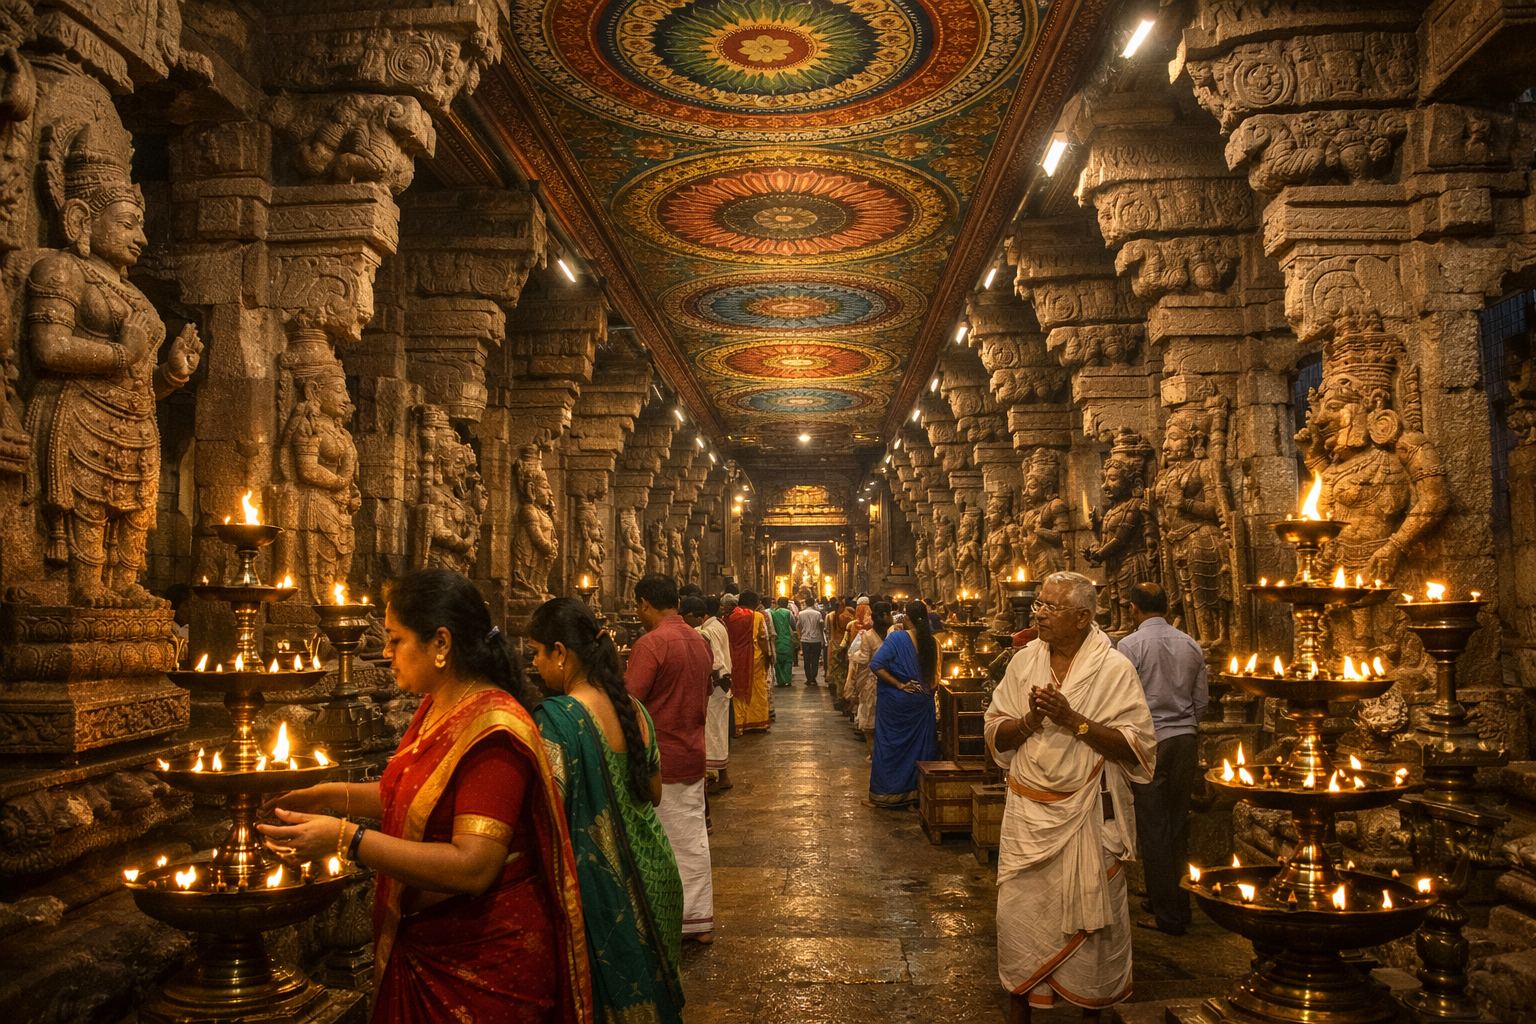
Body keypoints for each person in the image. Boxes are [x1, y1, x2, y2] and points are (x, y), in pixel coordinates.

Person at [259, 569, 592, 1024]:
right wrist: (326, 795)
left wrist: (346, 840)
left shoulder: (493, 730)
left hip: (482, 963)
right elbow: (413, 796)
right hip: (427, 942)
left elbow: (474, 865)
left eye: (395, 639)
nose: (385, 652)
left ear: (441, 643)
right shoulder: (439, 704)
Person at [984, 571, 1156, 1024]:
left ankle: (1089, 1013)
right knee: (1018, 919)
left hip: (1088, 815)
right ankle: (1021, 1008)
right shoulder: (1023, 662)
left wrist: (1074, 720)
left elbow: (1137, 746)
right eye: (1038, 604)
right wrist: (1027, 724)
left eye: (1050, 607)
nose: (1038, 613)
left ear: (1082, 617)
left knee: (1091, 928)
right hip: (1027, 813)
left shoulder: (1114, 669)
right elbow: (995, 732)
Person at [529, 598, 685, 1023]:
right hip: (657, 880)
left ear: (560, 652)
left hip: (604, 893)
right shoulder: (634, 710)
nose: (535, 664)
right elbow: (652, 793)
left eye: (537, 653)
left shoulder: (558, 721)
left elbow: (544, 813)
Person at [626, 573, 716, 945]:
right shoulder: (699, 641)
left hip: (660, 759)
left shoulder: (651, 644)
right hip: (692, 752)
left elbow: (628, 702)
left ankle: (671, 919)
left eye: (638, 607)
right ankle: (699, 918)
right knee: (692, 839)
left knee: (659, 843)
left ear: (645, 604)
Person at [1115, 582, 1207, 936]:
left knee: (1154, 828)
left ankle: (1166, 914)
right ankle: (1177, 904)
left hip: (1150, 742)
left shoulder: (1130, 645)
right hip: (1185, 740)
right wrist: (1187, 725)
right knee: (1177, 823)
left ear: (1134, 610)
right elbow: (1201, 701)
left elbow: (1123, 697)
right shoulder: (1191, 644)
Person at [865, 600, 940, 808]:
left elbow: (876, 665)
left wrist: (899, 684)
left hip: (897, 705)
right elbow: (935, 680)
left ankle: (887, 792)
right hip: (922, 704)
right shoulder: (934, 643)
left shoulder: (897, 637)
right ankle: (917, 794)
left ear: (906, 618)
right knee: (919, 750)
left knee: (889, 748)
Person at [685, 595, 734, 793]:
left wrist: (713, 677)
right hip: (722, 686)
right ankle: (722, 775)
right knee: (718, 731)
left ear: (698, 616)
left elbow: (715, 660)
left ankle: (714, 777)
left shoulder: (708, 631)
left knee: (712, 732)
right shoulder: (718, 625)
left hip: (715, 687)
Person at [727, 592, 772, 734]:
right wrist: (768, 656)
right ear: (754, 603)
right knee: (756, 688)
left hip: (733, 657)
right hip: (754, 657)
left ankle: (738, 723)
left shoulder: (729, 616)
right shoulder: (757, 616)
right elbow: (763, 638)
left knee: (737, 688)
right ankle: (756, 721)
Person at [847, 601, 889, 748]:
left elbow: (864, 658)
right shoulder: (893, 633)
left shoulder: (867, 634)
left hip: (872, 678)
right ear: (884, 616)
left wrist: (852, 656)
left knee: (870, 719)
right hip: (889, 677)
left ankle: (873, 755)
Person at [770, 597, 797, 687]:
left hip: (777, 640)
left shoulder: (773, 613)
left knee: (778, 661)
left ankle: (780, 680)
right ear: (787, 604)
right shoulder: (788, 613)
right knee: (788, 660)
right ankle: (787, 680)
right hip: (787, 639)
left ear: (778, 603)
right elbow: (793, 626)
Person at [797, 599, 825, 687]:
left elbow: (798, 625)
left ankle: (808, 678)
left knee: (807, 659)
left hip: (805, 639)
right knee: (815, 659)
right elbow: (821, 625)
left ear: (805, 603)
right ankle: (813, 677)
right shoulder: (818, 614)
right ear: (813, 603)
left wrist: (800, 635)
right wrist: (822, 637)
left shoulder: (801, 614)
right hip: (816, 639)